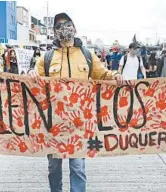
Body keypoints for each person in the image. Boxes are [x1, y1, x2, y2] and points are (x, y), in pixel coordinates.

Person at [28, 12, 122, 192]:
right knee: (54, 167)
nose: (64, 28)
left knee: (78, 167)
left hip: (80, 121)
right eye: (59, 26)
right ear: (55, 32)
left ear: (74, 27)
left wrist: (115, 75)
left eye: (67, 24)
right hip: (53, 123)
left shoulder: (87, 54)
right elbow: (33, 80)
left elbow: (102, 74)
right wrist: (31, 74)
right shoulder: (46, 57)